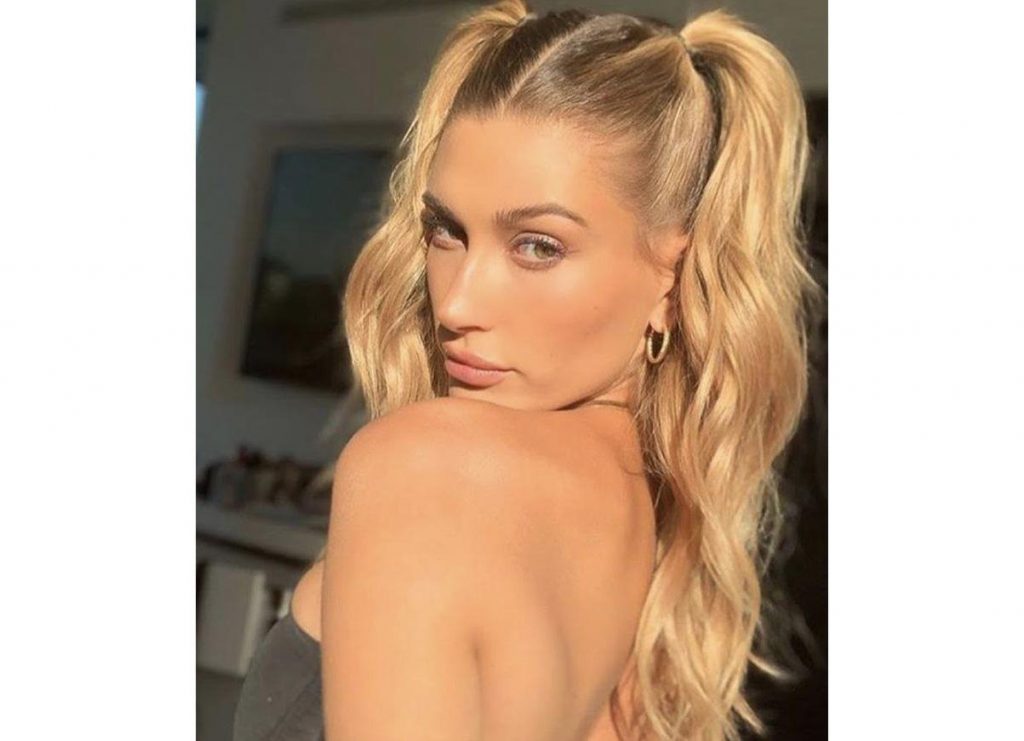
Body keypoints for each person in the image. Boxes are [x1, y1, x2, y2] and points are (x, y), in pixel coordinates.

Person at [232, 1, 822, 739]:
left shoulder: (425, 465)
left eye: (538, 246)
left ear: (674, 280)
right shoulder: (654, 543)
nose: (457, 303)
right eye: (446, 230)